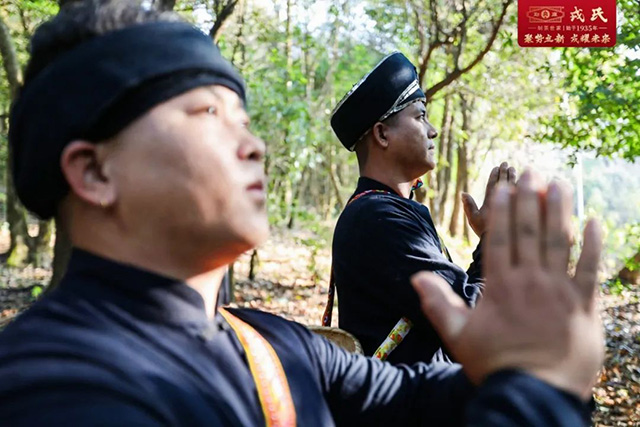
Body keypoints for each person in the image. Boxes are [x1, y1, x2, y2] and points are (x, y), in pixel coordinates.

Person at [0, 2, 601, 425]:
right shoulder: (53, 386)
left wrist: (540, 366)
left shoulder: (270, 346)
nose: (253, 145)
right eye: (207, 115)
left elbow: (420, 403)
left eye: (244, 119)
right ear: (96, 172)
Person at [327, 52, 516, 364]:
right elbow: (473, 322)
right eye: (420, 116)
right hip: (409, 411)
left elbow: (458, 306)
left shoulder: (382, 211)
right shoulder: (379, 219)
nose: (433, 131)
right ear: (382, 134)